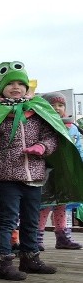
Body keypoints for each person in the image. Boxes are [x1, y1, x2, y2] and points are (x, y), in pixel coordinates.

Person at [0, 61, 83, 280]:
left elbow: (52, 137)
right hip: (6, 177)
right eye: (10, 83)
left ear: (26, 87)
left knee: (31, 218)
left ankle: (30, 258)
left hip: (34, 176)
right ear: (1, 87)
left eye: (19, 84)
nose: (15, 87)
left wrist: (42, 147)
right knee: (8, 219)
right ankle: (2, 262)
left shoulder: (38, 110)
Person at [37, 92, 82, 250]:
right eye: (52, 105)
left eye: (60, 105)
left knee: (63, 204)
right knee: (44, 205)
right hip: (47, 173)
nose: (57, 108)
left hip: (65, 173)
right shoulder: (41, 126)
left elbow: (78, 148)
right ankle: (37, 238)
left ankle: (62, 237)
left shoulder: (72, 127)